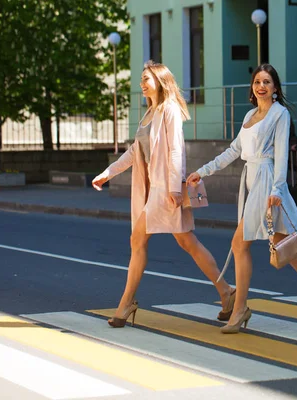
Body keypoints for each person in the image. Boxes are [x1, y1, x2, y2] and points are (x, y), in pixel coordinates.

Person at [187, 64, 297, 334]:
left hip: (268, 182)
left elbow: (282, 154)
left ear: (275, 88)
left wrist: (276, 189)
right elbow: (233, 150)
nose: (261, 86)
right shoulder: (250, 115)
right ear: (253, 87)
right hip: (252, 182)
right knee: (288, 250)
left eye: (267, 82)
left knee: (240, 245)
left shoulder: (280, 114)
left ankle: (240, 310)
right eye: (257, 81)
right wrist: (202, 171)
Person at [92, 61, 235, 328]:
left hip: (163, 190)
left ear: (160, 80)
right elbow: (135, 153)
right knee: (187, 242)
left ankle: (126, 304)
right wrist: (108, 173)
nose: (142, 83)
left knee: (140, 240)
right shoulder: (149, 114)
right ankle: (226, 292)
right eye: (141, 79)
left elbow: (176, 151)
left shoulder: (169, 109)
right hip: (152, 190)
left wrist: (173, 188)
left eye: (146, 78)